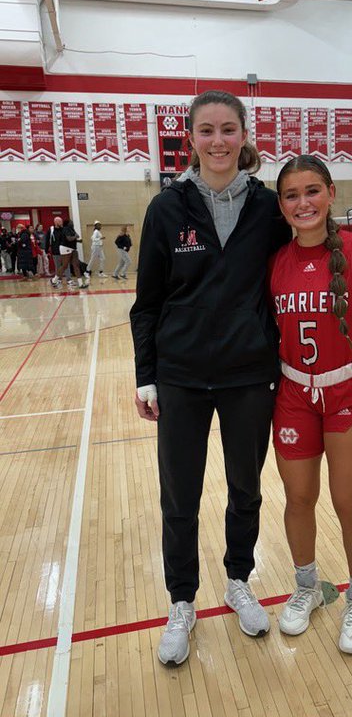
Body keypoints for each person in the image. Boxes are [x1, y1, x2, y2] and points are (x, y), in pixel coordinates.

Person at [129, 89, 291, 666]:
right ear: (191, 139)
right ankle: (181, 601)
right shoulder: (165, 209)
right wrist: (146, 375)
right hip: (181, 375)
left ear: (243, 135)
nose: (218, 141)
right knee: (180, 495)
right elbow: (147, 303)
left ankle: (238, 581)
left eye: (228, 129)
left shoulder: (269, 208)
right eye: (207, 131)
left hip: (249, 374)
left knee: (246, 489)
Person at [269, 155, 352, 655]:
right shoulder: (275, 260)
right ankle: (308, 588)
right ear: (281, 205)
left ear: (331, 193)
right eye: (292, 195)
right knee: (298, 498)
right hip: (293, 395)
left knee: (349, 504)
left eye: (312, 191)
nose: (303, 203)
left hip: (348, 394)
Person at [58, 218, 90, 290]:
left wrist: (78, 240)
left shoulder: (72, 229)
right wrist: (75, 236)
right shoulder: (65, 229)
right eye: (71, 221)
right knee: (65, 266)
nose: (72, 222)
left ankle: (81, 284)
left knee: (76, 265)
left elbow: (76, 236)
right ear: (68, 223)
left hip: (73, 248)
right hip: (66, 248)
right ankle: (55, 280)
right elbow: (69, 239)